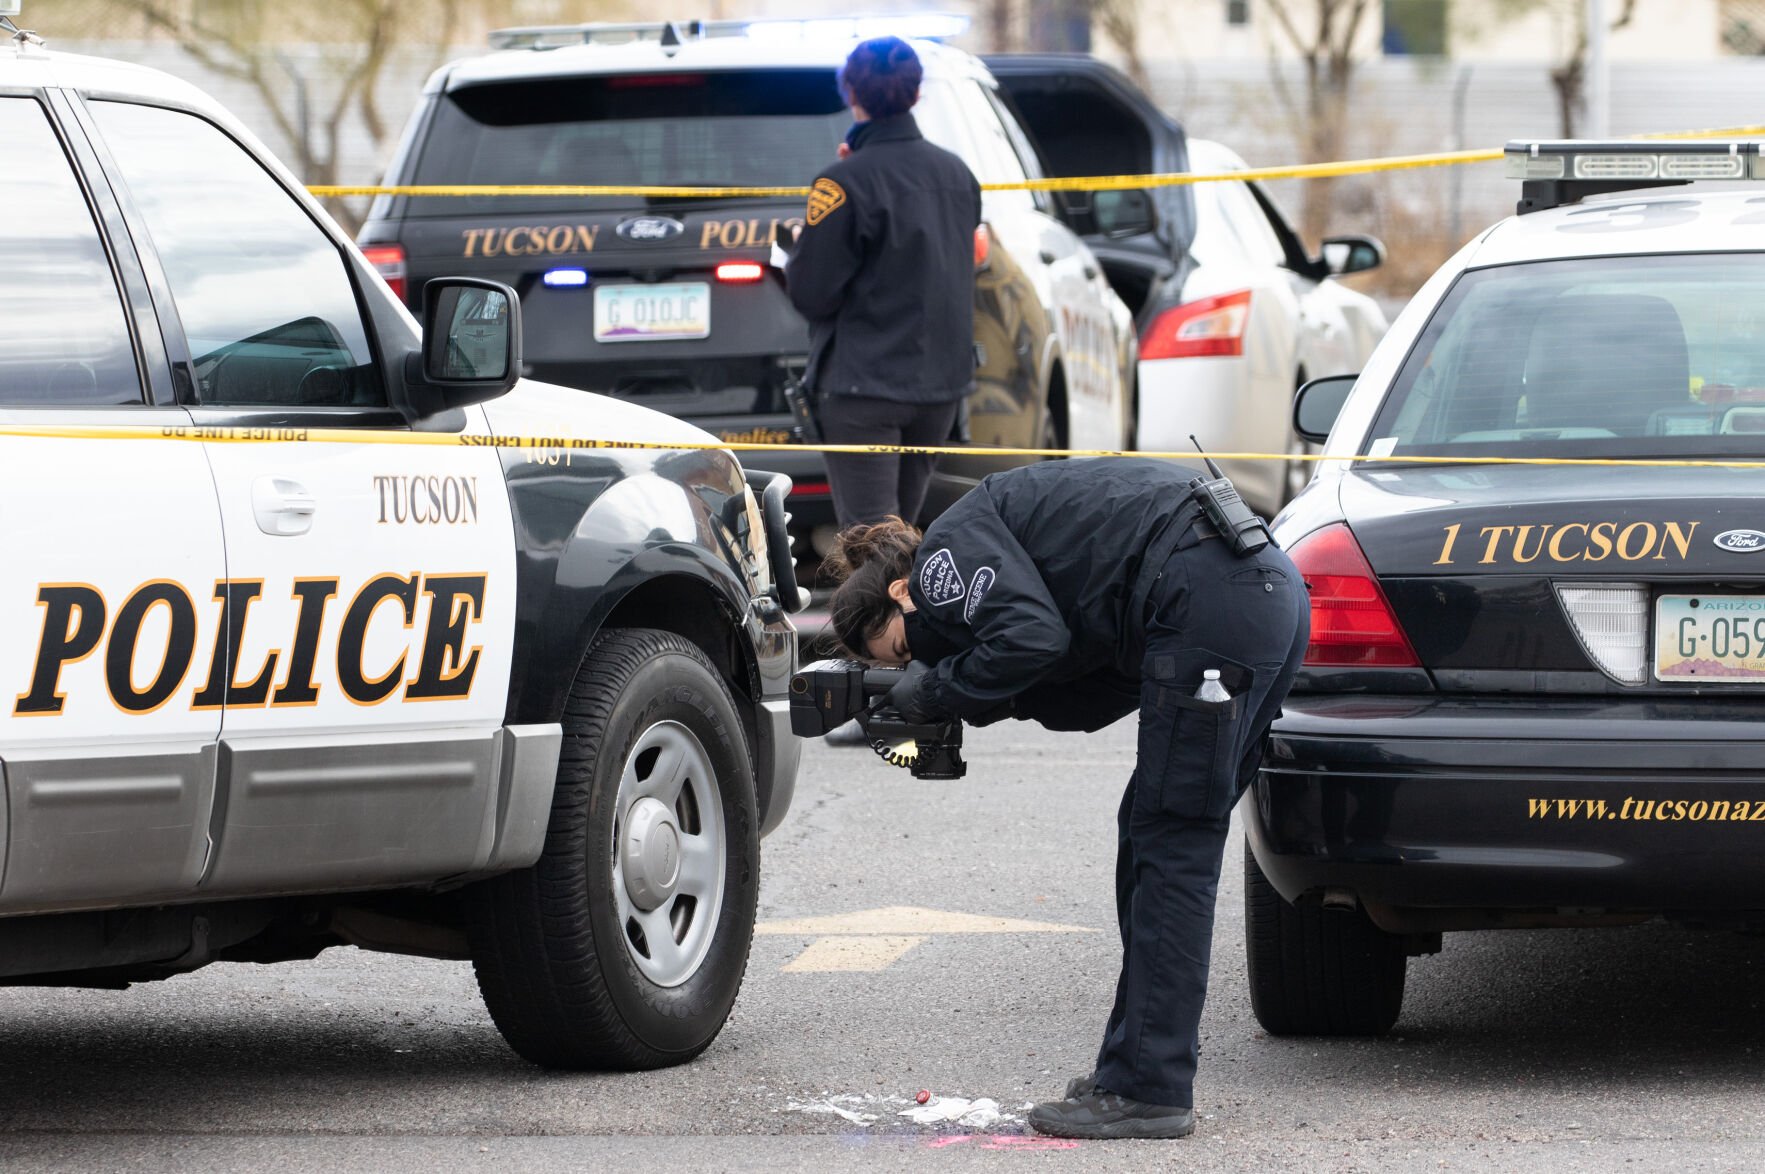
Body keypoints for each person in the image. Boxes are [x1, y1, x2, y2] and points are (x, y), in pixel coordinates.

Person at [824, 458, 1309, 1141]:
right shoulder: (997, 546)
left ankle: (1148, 1088)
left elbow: (1032, 640)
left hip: (1210, 606)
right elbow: (1077, 689)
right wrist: (973, 697)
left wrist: (932, 693)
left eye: (903, 649)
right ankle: (1135, 1065)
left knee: (1171, 845)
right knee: (1151, 832)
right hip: (1261, 597)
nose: (916, 661)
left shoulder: (942, 561)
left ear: (902, 592)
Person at [785, 35, 981, 530]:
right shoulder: (958, 176)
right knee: (901, 532)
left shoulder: (842, 182)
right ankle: (899, 610)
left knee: (871, 538)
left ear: (851, 93)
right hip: (938, 387)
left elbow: (812, 293)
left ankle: (878, 611)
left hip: (862, 386)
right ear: (917, 94)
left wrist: (798, 246)